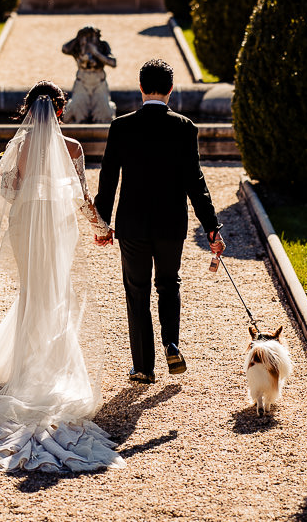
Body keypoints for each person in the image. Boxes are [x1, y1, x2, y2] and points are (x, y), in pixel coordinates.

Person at [0, 81, 124, 473]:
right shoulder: (73, 149)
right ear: (61, 111)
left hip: (26, 226)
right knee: (56, 294)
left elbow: (8, 191)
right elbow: (81, 197)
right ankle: (49, 369)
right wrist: (101, 228)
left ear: (29, 110)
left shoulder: (20, 146)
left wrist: (31, 186)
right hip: (60, 229)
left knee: (32, 291)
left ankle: (26, 369)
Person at [93, 58, 226, 384]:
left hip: (133, 225)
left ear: (140, 88)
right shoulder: (184, 127)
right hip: (170, 224)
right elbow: (195, 181)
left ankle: (143, 367)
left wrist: (101, 224)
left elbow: (108, 179)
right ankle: (171, 342)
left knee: (136, 291)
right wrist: (211, 227)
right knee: (169, 284)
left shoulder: (121, 127)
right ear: (170, 88)